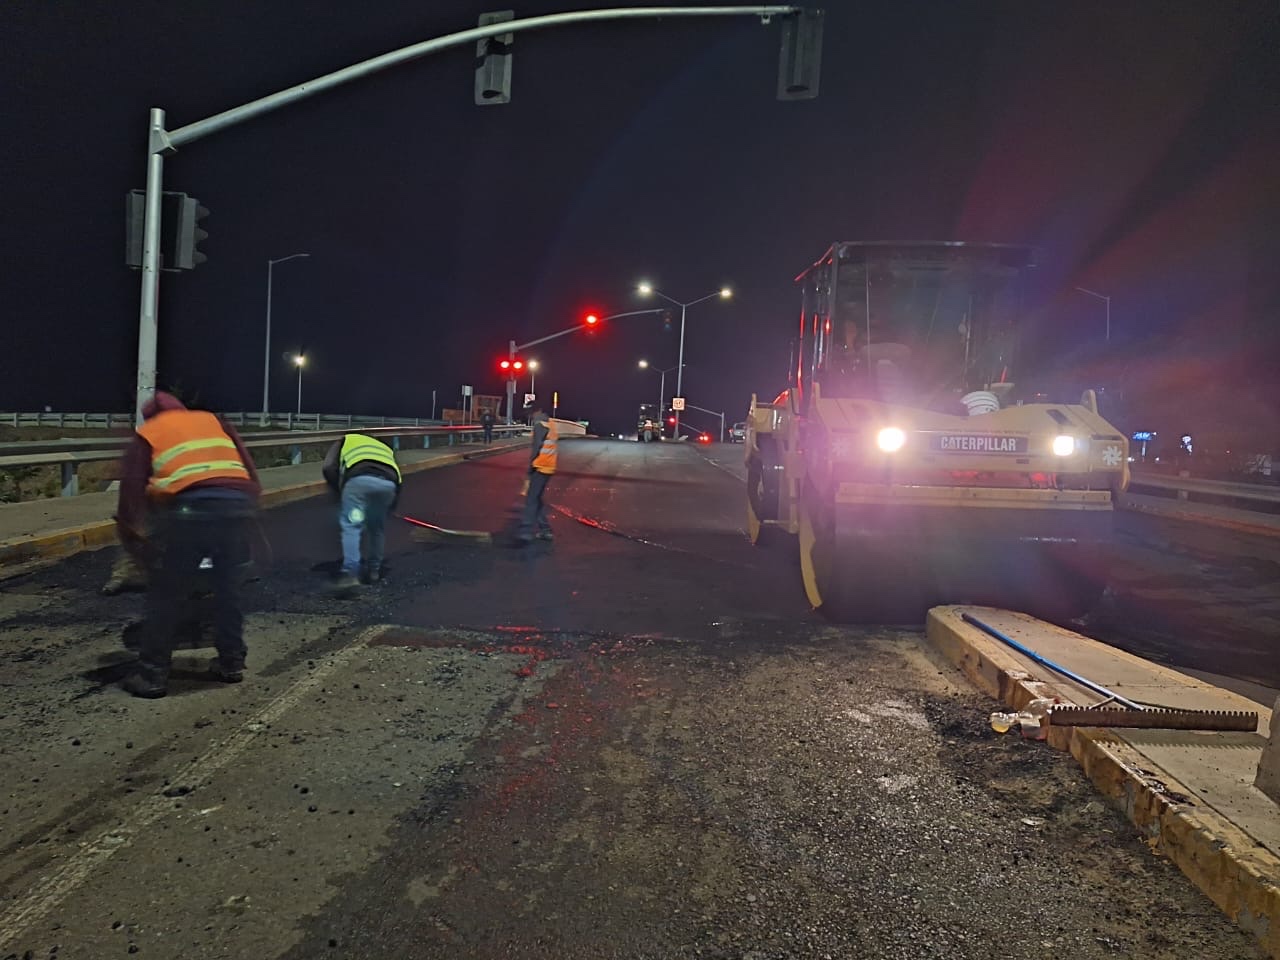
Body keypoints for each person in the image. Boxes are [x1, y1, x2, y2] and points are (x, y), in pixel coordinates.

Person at [118, 392, 261, 698]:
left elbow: (132, 488)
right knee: (228, 589)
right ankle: (231, 662)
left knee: (167, 592)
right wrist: (247, 511)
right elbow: (249, 470)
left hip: (191, 512)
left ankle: (152, 675)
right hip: (236, 505)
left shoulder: (151, 431)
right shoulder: (213, 421)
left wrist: (132, 536)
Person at [322, 433, 402, 595]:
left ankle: (351, 573)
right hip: (388, 484)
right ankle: (374, 571)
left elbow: (328, 467)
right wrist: (391, 505)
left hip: (358, 480)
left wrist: (339, 491)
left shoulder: (345, 439)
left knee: (352, 526)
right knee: (376, 528)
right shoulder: (384, 447)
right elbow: (398, 478)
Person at [517, 405, 557, 544]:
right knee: (537, 499)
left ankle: (525, 532)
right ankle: (545, 530)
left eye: (531, 413)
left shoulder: (540, 425)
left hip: (540, 466)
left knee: (531, 499)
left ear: (538, 411)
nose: (530, 416)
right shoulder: (550, 423)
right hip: (549, 466)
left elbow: (536, 449)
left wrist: (530, 469)